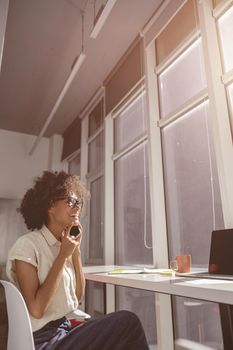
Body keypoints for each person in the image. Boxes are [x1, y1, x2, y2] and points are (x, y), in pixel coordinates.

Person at [6, 170, 149, 350]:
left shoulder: (64, 245)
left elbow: (77, 296)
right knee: (128, 322)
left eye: (79, 202)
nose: (77, 208)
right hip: (42, 340)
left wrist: (75, 251)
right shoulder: (27, 245)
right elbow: (36, 309)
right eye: (71, 201)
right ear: (50, 205)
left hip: (66, 329)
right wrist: (63, 256)